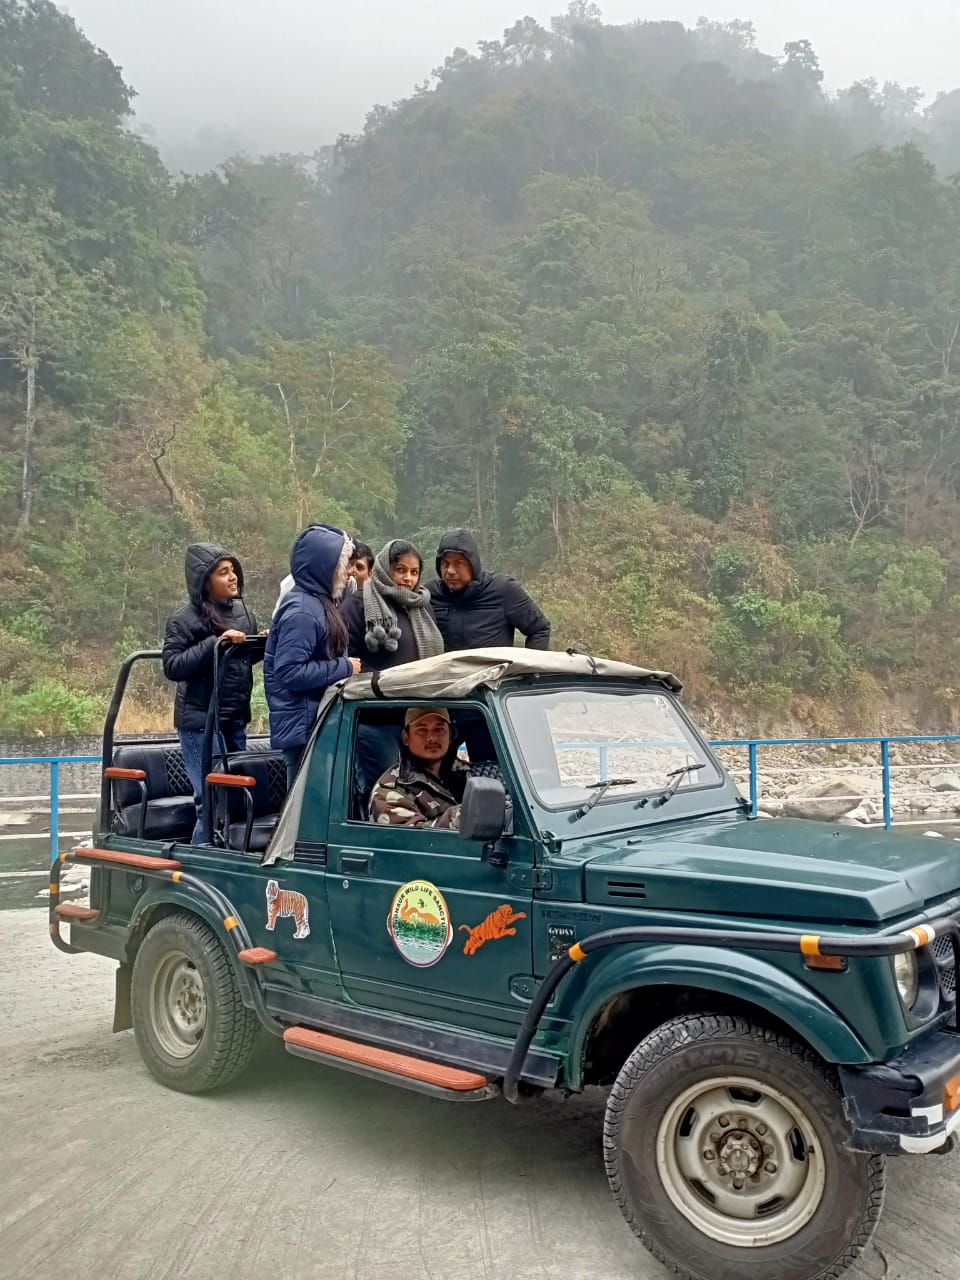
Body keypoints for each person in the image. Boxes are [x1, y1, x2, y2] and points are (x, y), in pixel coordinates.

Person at [162, 543, 260, 844]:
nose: (233, 577)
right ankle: (199, 859)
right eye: (223, 572)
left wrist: (261, 643)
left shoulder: (243, 613)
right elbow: (173, 666)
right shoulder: (183, 619)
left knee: (235, 799)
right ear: (205, 581)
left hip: (234, 719)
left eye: (233, 571)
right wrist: (213, 643)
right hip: (200, 722)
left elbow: (243, 660)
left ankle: (228, 855)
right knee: (210, 799)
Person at [341, 539, 445, 805]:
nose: (408, 578)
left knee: (417, 789)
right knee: (383, 789)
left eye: (414, 572)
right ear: (385, 569)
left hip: (415, 717)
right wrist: (388, 681)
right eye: (401, 570)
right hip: (375, 718)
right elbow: (345, 656)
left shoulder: (421, 605)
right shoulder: (358, 604)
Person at [264, 524, 362, 787]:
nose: (350, 572)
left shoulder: (320, 603)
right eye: (344, 565)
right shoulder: (302, 611)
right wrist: (344, 667)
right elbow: (289, 672)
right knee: (304, 806)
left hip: (314, 723)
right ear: (324, 566)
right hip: (302, 727)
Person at [428, 529, 551, 652]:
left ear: (473, 564)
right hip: (445, 664)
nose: (450, 571)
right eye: (445, 563)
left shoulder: (503, 589)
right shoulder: (430, 594)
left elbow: (539, 629)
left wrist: (528, 663)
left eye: (458, 563)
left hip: (494, 664)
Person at [368, 707, 468, 829]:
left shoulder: (468, 772)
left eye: (439, 729)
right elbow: (411, 836)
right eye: (422, 730)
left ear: (450, 735)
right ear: (406, 737)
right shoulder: (390, 789)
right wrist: (462, 816)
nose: (432, 738)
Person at [272, 537, 374, 618]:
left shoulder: (353, 590)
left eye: (358, 567)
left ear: (370, 574)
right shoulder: (301, 602)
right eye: (348, 564)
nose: (352, 571)